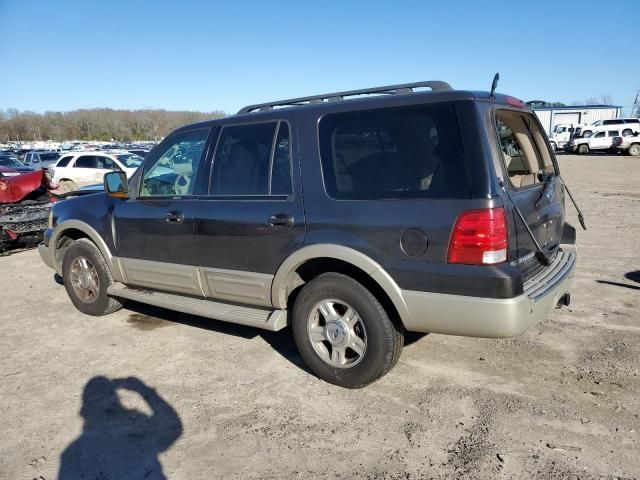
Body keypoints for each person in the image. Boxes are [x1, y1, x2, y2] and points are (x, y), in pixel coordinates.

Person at [58, 376, 182, 479]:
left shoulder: (71, 454)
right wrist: (143, 390)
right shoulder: (140, 432)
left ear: (84, 411)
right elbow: (173, 430)